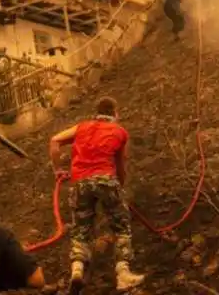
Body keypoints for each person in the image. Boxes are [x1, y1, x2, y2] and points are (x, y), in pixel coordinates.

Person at [49, 96, 145, 293]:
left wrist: (58, 169)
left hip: (80, 183)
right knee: (121, 227)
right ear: (115, 114)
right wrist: (120, 186)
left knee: (80, 229)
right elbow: (121, 165)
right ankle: (123, 274)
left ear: (97, 113)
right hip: (106, 180)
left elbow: (55, 140)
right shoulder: (119, 132)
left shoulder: (82, 127)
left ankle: (77, 270)